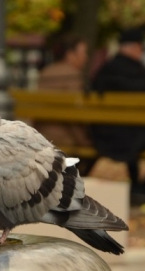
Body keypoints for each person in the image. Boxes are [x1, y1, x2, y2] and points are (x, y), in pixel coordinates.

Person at [91, 27, 145, 203]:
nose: (142, 52)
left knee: (135, 135)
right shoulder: (141, 74)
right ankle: (144, 187)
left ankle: (138, 186)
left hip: (103, 134)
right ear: (133, 47)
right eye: (141, 48)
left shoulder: (106, 70)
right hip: (131, 136)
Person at [35, 35, 96, 176]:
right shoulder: (74, 76)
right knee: (95, 150)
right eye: (83, 53)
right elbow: (75, 116)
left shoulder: (45, 72)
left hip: (43, 135)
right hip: (66, 138)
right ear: (70, 54)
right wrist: (84, 141)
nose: (85, 57)